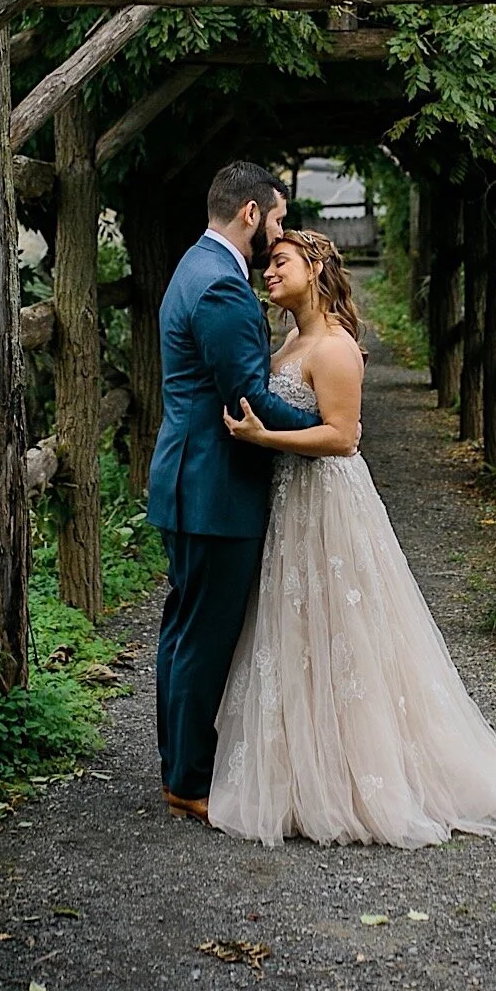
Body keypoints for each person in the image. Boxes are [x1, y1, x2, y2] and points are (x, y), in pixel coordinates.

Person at [209, 228, 496, 849]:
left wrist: (264, 440)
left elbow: (343, 438)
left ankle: (362, 775)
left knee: (346, 629)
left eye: (280, 263)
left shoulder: (332, 347)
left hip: (328, 500)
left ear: (316, 267)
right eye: (267, 264)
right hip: (291, 501)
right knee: (298, 628)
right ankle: (305, 773)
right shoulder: (293, 338)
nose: (268, 272)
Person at [146, 161, 321, 820]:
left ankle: (182, 765)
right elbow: (247, 395)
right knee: (203, 635)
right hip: (213, 490)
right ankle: (190, 778)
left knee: (184, 630)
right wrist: (325, 426)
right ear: (250, 212)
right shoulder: (221, 286)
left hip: (192, 482)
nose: (278, 230)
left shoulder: (194, 266)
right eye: (276, 217)